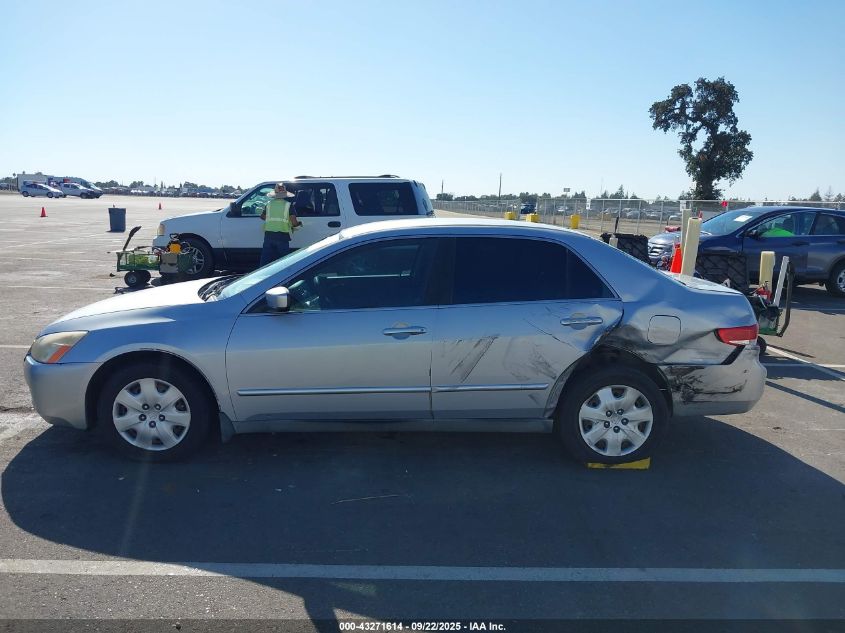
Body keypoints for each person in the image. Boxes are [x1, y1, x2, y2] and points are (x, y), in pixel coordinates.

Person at [259, 183, 301, 266]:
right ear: (285, 195)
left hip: (269, 235)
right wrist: (297, 225)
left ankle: (261, 276)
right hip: (282, 236)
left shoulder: (269, 204)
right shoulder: (288, 205)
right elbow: (293, 221)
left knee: (265, 260)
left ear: (275, 194)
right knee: (284, 261)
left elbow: (262, 217)